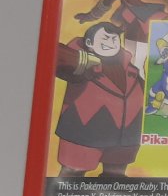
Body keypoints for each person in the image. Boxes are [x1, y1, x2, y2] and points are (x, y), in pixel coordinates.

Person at [54, 22, 144, 177]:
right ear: (89, 43)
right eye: (105, 38)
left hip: (124, 137)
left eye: (114, 39)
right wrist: (80, 59)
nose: (111, 43)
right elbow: (53, 55)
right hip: (84, 133)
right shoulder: (79, 63)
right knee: (71, 177)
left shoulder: (132, 68)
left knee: (115, 178)